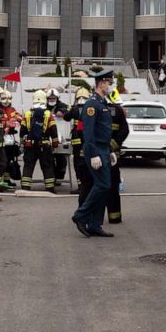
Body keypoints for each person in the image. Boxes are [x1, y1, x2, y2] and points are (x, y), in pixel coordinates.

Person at [71, 68, 117, 238]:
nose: (110, 86)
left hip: (104, 149)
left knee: (105, 187)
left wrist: (110, 150)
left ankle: (95, 224)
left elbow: (104, 130)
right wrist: (93, 154)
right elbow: (88, 133)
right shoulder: (91, 104)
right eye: (108, 83)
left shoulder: (102, 102)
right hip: (96, 149)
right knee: (103, 185)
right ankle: (80, 216)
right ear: (101, 83)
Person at [20, 89, 59, 193]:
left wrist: (22, 142)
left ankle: (25, 187)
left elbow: (22, 130)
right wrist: (55, 143)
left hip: (30, 145)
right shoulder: (48, 114)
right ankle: (50, 188)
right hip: (45, 145)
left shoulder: (27, 114)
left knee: (28, 166)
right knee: (47, 166)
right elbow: (53, 130)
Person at [105, 87, 130, 224]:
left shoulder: (96, 107)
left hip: (105, 154)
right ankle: (114, 217)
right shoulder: (118, 110)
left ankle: (108, 216)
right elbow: (125, 130)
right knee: (112, 185)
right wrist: (114, 145)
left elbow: (125, 130)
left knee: (103, 185)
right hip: (112, 154)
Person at [63, 87, 91, 199]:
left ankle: (81, 186)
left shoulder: (74, 109)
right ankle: (88, 185)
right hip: (88, 140)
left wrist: (68, 109)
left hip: (77, 141)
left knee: (78, 163)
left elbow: (66, 118)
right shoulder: (91, 108)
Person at [0, 92, 23, 187]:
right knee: (1, 161)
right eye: (4, 99)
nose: (6, 101)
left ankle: (7, 180)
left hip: (10, 139)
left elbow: (18, 116)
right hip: (1, 137)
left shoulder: (12, 109)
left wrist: (19, 118)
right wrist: (6, 123)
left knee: (9, 159)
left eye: (8, 99)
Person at [46, 88, 69, 182]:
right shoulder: (43, 106)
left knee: (61, 159)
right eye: (50, 98)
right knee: (48, 160)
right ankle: (50, 178)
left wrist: (62, 112)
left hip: (60, 135)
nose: (52, 100)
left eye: (53, 98)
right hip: (46, 136)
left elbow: (69, 110)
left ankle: (59, 176)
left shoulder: (62, 105)